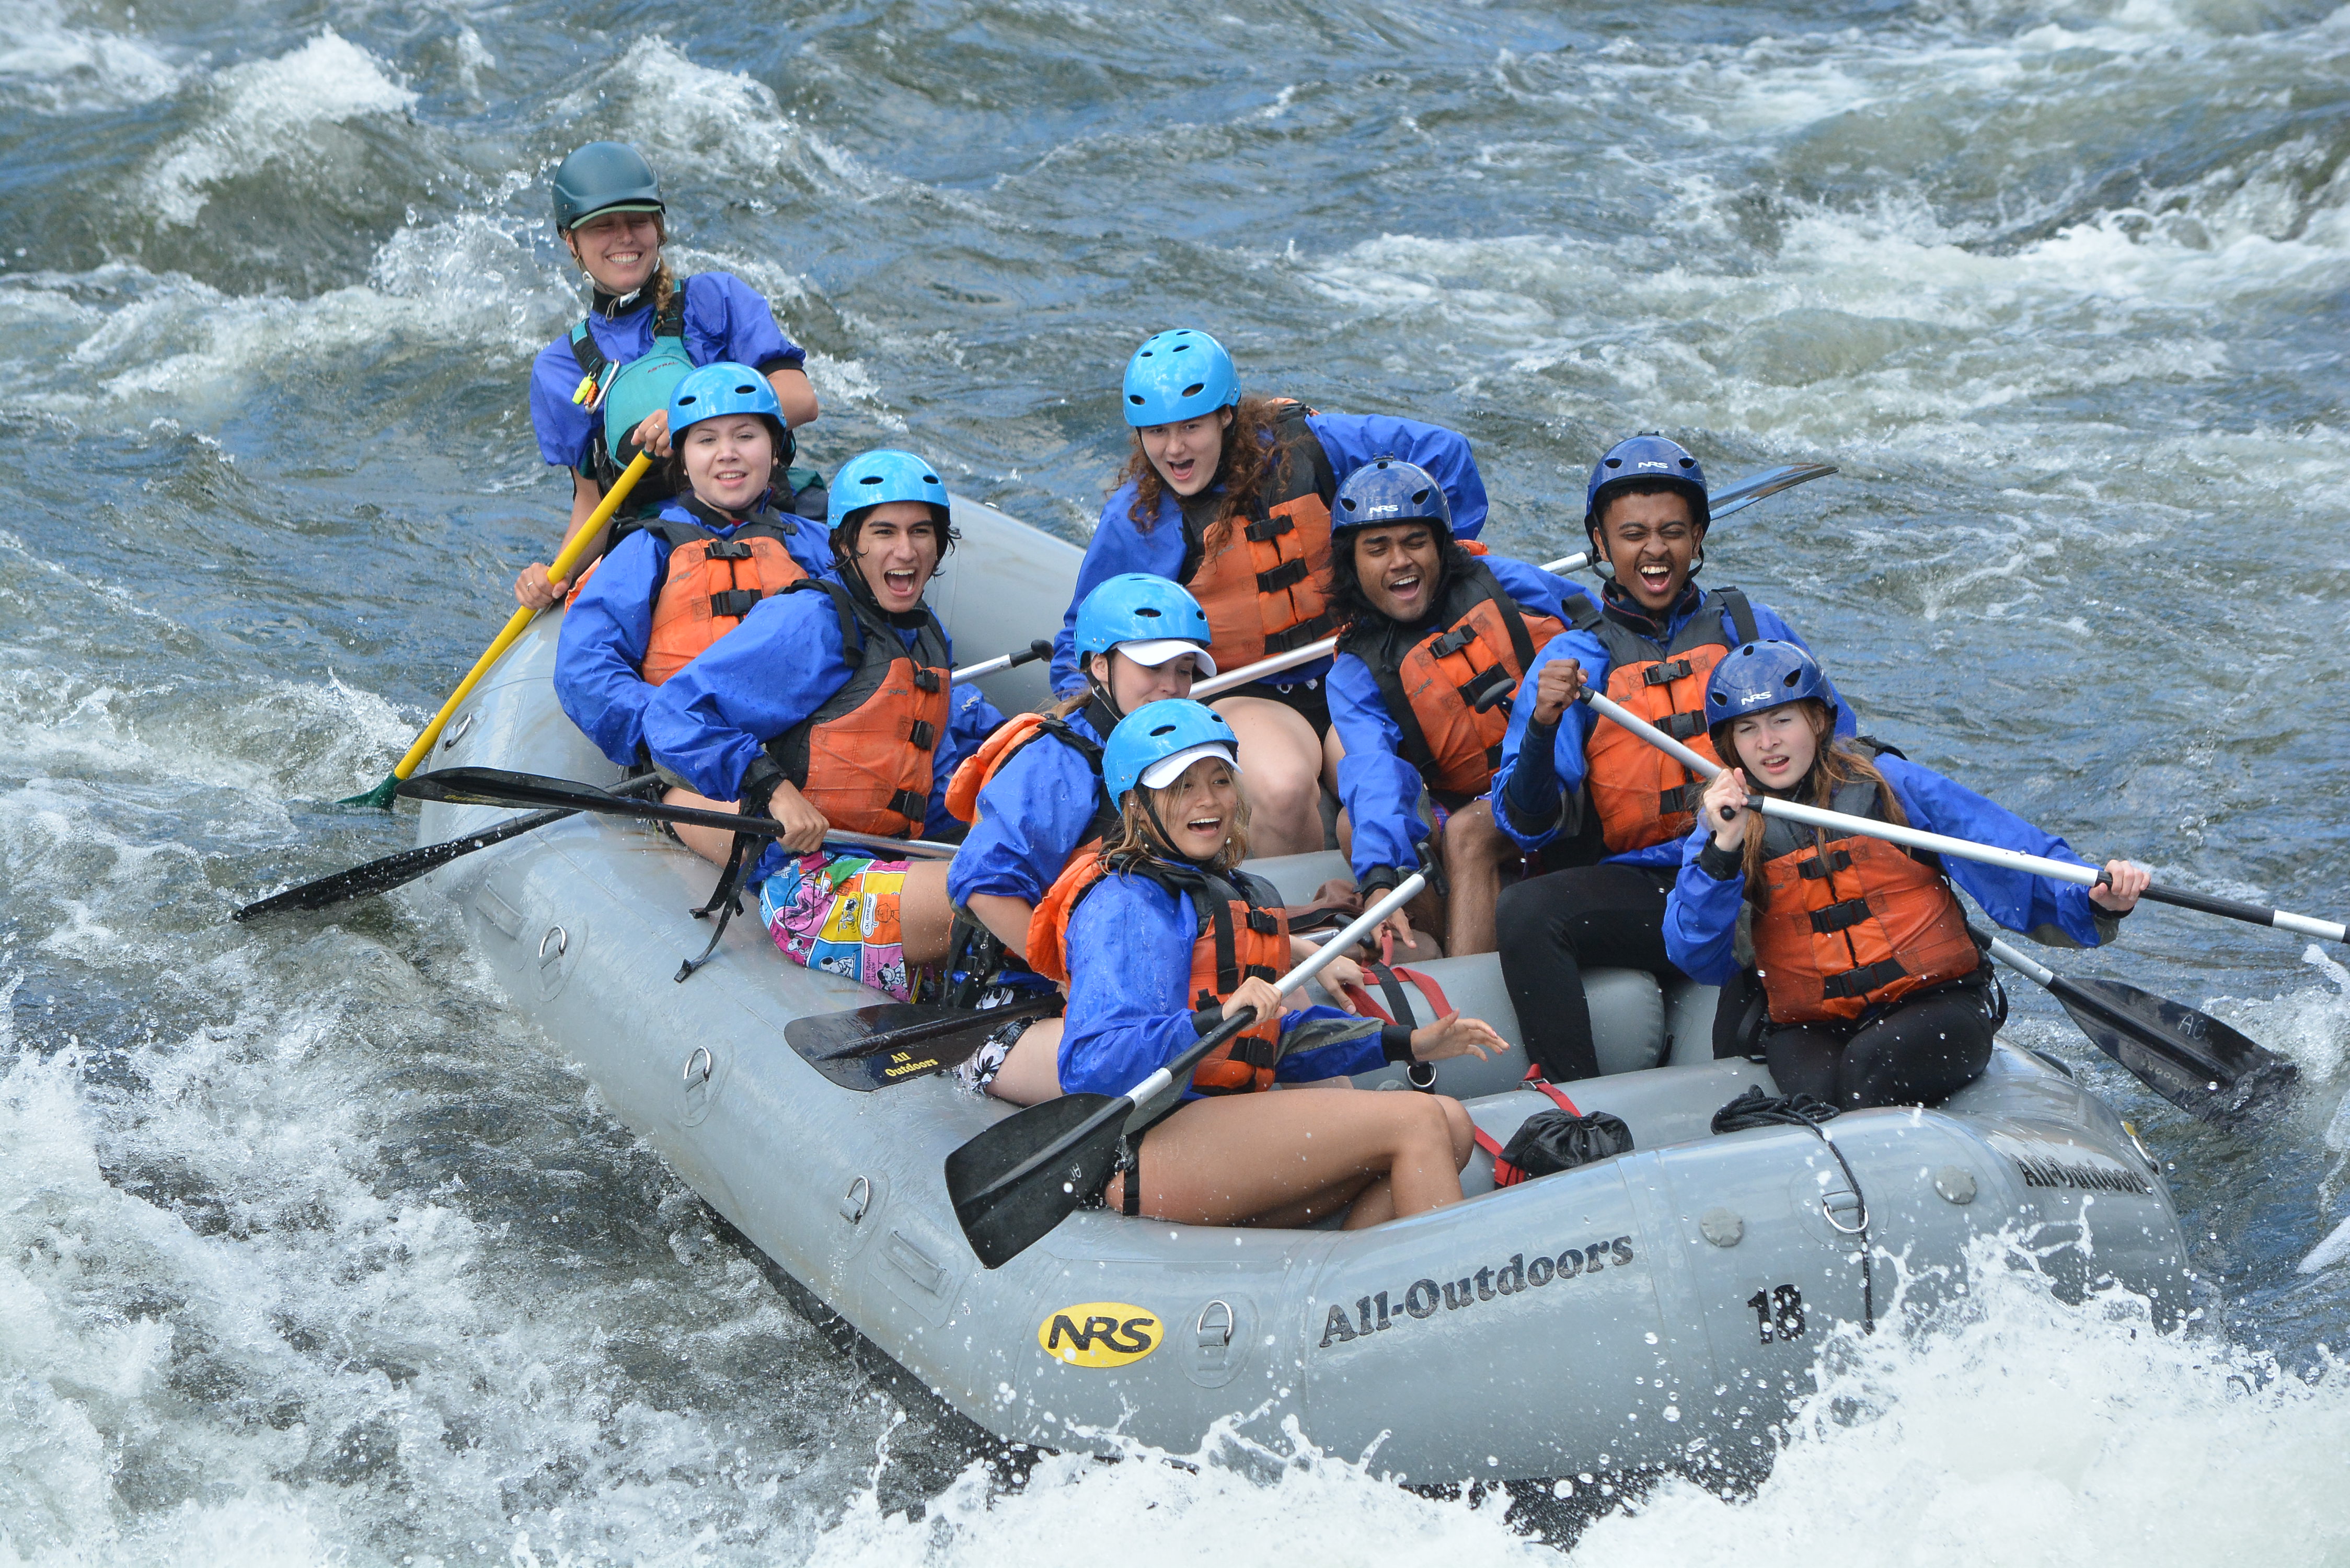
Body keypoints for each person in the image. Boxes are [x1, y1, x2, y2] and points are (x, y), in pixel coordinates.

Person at [1028, 700, 1507, 1226]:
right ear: (1136, 805)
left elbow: (1273, 1043)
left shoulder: (1235, 891)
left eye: (1218, 780)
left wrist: (1407, 1043)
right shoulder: (1124, 904)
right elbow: (1091, 1064)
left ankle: (1355, 1289)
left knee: (1451, 1121)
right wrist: (1211, 1021)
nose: (1206, 801)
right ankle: (1438, 1300)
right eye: (1180, 787)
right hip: (1151, 1143)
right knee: (1418, 1122)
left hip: (1225, 1125)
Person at [1489, 435, 1849, 1082]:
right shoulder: (1575, 661)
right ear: (1600, 544)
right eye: (1632, 534)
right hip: (1651, 887)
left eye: (1671, 532)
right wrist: (1543, 726)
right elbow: (1527, 821)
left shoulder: (1751, 628)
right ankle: (1573, 1105)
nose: (1653, 550)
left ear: (1698, 537)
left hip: (1758, 868)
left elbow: (1838, 747)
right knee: (1525, 911)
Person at [1051, 328, 1491, 857]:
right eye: (1157, 432)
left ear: (1226, 416)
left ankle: (1403, 907)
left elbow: (1445, 455)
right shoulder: (1138, 520)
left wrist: (1439, 575)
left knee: (1388, 790)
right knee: (1281, 789)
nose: (1174, 449)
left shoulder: (1313, 446)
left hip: (1351, 666)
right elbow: (1084, 638)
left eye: (1191, 427)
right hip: (1244, 692)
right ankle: (1304, 924)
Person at [1664, 640, 2148, 1109]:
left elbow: (2003, 851)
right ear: (1730, 744)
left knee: (1866, 1076)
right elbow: (1697, 955)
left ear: (1817, 720)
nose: (1767, 743)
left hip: (1934, 1003)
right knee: (1814, 1098)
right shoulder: (1722, 827)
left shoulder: (1887, 785)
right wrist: (1722, 854)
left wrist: (2088, 895)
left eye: (1782, 721)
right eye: (1748, 729)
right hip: (1817, 1024)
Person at [641, 448, 1003, 999]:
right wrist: (771, 787)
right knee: (998, 893)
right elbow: (673, 713)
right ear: (845, 545)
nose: (905, 550)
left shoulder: (924, 636)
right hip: (808, 887)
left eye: (920, 532)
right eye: (883, 532)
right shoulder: (811, 623)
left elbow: (922, 772)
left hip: (893, 860)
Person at [942, 573, 1219, 1102]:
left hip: (1130, 985)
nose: (1171, 686)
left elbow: (1195, 894)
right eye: (1152, 667)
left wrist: (1290, 942)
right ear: (1099, 666)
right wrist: (1069, 970)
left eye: (1184, 670)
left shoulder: (1174, 762)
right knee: (1179, 1084)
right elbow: (980, 886)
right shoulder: (1060, 761)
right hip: (1014, 1006)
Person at [515, 141, 822, 610]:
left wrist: (689, 417)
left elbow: (800, 398)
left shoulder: (715, 300)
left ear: (658, 226)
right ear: (570, 240)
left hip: (767, 515)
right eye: (602, 226)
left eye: (638, 221)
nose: (625, 238)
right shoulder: (561, 369)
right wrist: (553, 578)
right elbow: (593, 505)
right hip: (664, 547)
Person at [1323, 456, 1593, 958]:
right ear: (1352, 564)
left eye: (1415, 542)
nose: (1399, 561)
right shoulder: (1356, 670)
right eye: (1377, 548)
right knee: (1356, 823)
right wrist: (1381, 879)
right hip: (1472, 796)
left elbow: (1600, 637)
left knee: (1470, 831)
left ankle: (1475, 988)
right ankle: (1454, 943)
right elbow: (1374, 771)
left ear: (1441, 547)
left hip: (1562, 777)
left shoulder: (1506, 584)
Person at [554, 362, 834, 769]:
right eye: (706, 440)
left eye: (746, 436)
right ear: (683, 462)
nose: (728, 453)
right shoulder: (648, 549)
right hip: (695, 764)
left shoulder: (818, 546)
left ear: (776, 450)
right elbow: (586, 666)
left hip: (812, 753)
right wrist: (676, 729)